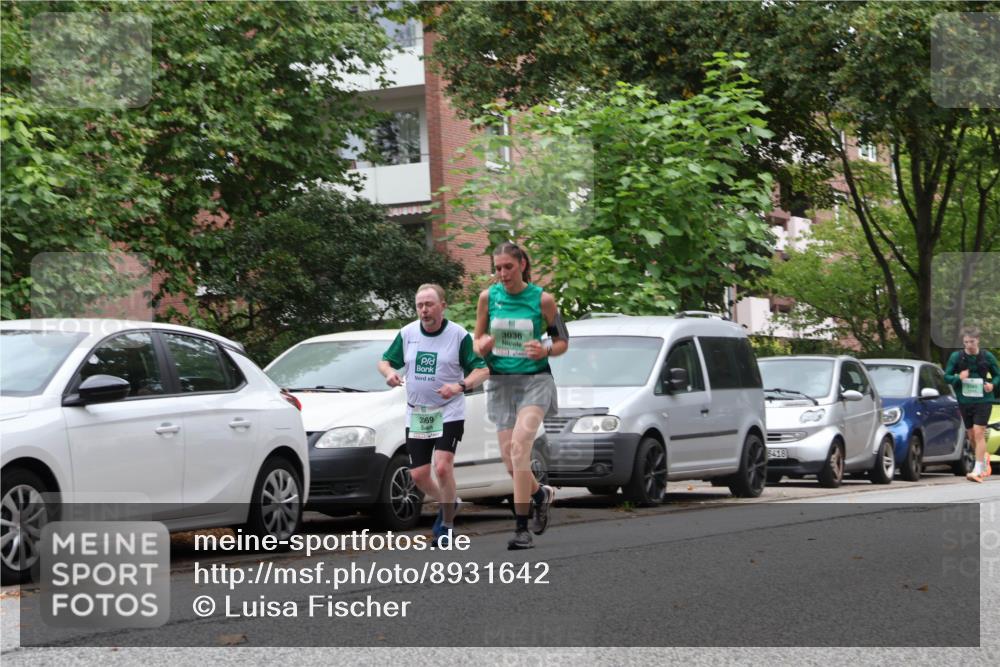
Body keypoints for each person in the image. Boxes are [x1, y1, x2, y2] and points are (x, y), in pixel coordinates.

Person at [378, 284, 489, 546]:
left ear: (442, 305)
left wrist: (459, 386)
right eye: (419, 305)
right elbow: (384, 361)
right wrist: (389, 373)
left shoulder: (458, 336)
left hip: (448, 410)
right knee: (418, 475)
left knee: (442, 465)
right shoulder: (407, 333)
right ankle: (450, 504)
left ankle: (447, 525)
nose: (424, 310)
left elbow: (482, 370)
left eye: (429, 304)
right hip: (418, 412)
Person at [474, 242, 568, 550]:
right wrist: (483, 345)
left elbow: (563, 341)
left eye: (508, 267)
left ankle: (521, 529)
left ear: (522, 265)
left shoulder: (543, 300)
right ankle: (541, 495)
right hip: (501, 383)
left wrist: (546, 348)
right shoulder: (488, 298)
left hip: (535, 381)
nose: (502, 273)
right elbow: (476, 341)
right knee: (511, 462)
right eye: (497, 268)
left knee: (519, 450)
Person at [944, 327, 1000, 483]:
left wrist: (993, 385)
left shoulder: (987, 356)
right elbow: (946, 377)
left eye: (972, 342)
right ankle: (984, 458)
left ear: (978, 341)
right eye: (966, 342)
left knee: (978, 432)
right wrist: (958, 377)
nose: (968, 345)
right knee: (971, 436)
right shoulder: (956, 357)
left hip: (984, 399)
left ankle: (977, 469)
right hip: (964, 400)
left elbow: (997, 375)